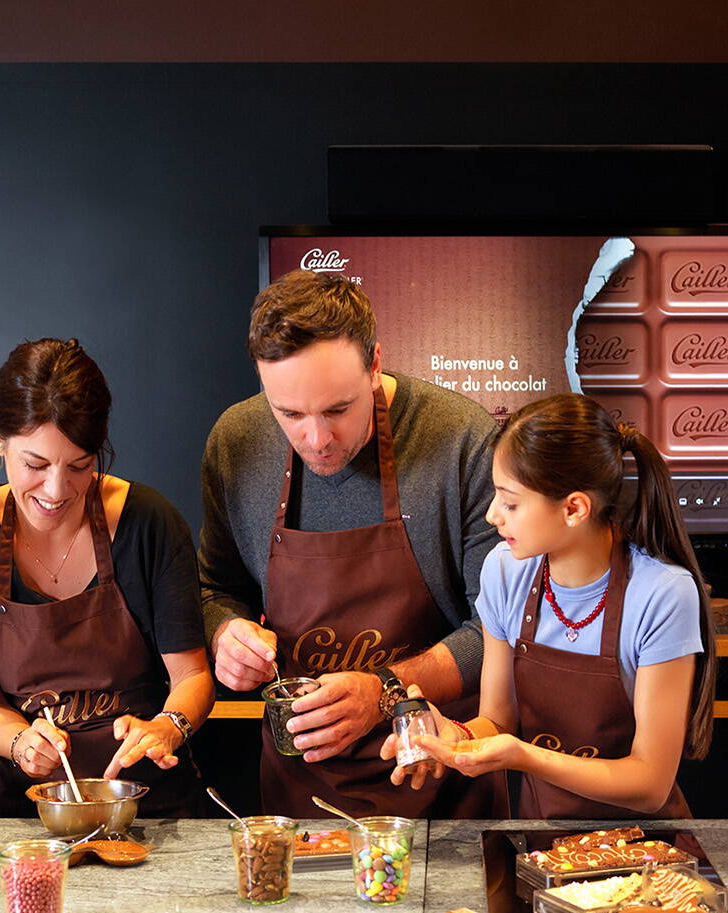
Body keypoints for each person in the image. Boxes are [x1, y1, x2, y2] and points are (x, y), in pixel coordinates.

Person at [199, 270, 507, 818]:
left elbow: (501, 630)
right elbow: (216, 588)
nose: (316, 440)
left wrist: (385, 689)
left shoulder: (460, 440)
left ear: (375, 364)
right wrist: (225, 632)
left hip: (439, 778)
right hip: (301, 791)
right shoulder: (236, 441)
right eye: (289, 414)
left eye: (337, 410)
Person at [384, 392, 717, 818]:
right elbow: (498, 721)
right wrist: (454, 735)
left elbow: (650, 784)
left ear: (574, 508)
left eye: (511, 502)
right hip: (538, 848)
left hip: (645, 856)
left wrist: (524, 756)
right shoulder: (505, 572)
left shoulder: (663, 594)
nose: (492, 516)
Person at [0, 338, 215, 817]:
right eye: (34, 465)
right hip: (27, 820)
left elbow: (193, 677)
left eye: (80, 465)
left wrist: (166, 726)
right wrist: (20, 742)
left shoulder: (149, 523)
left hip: (153, 812)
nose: (57, 490)